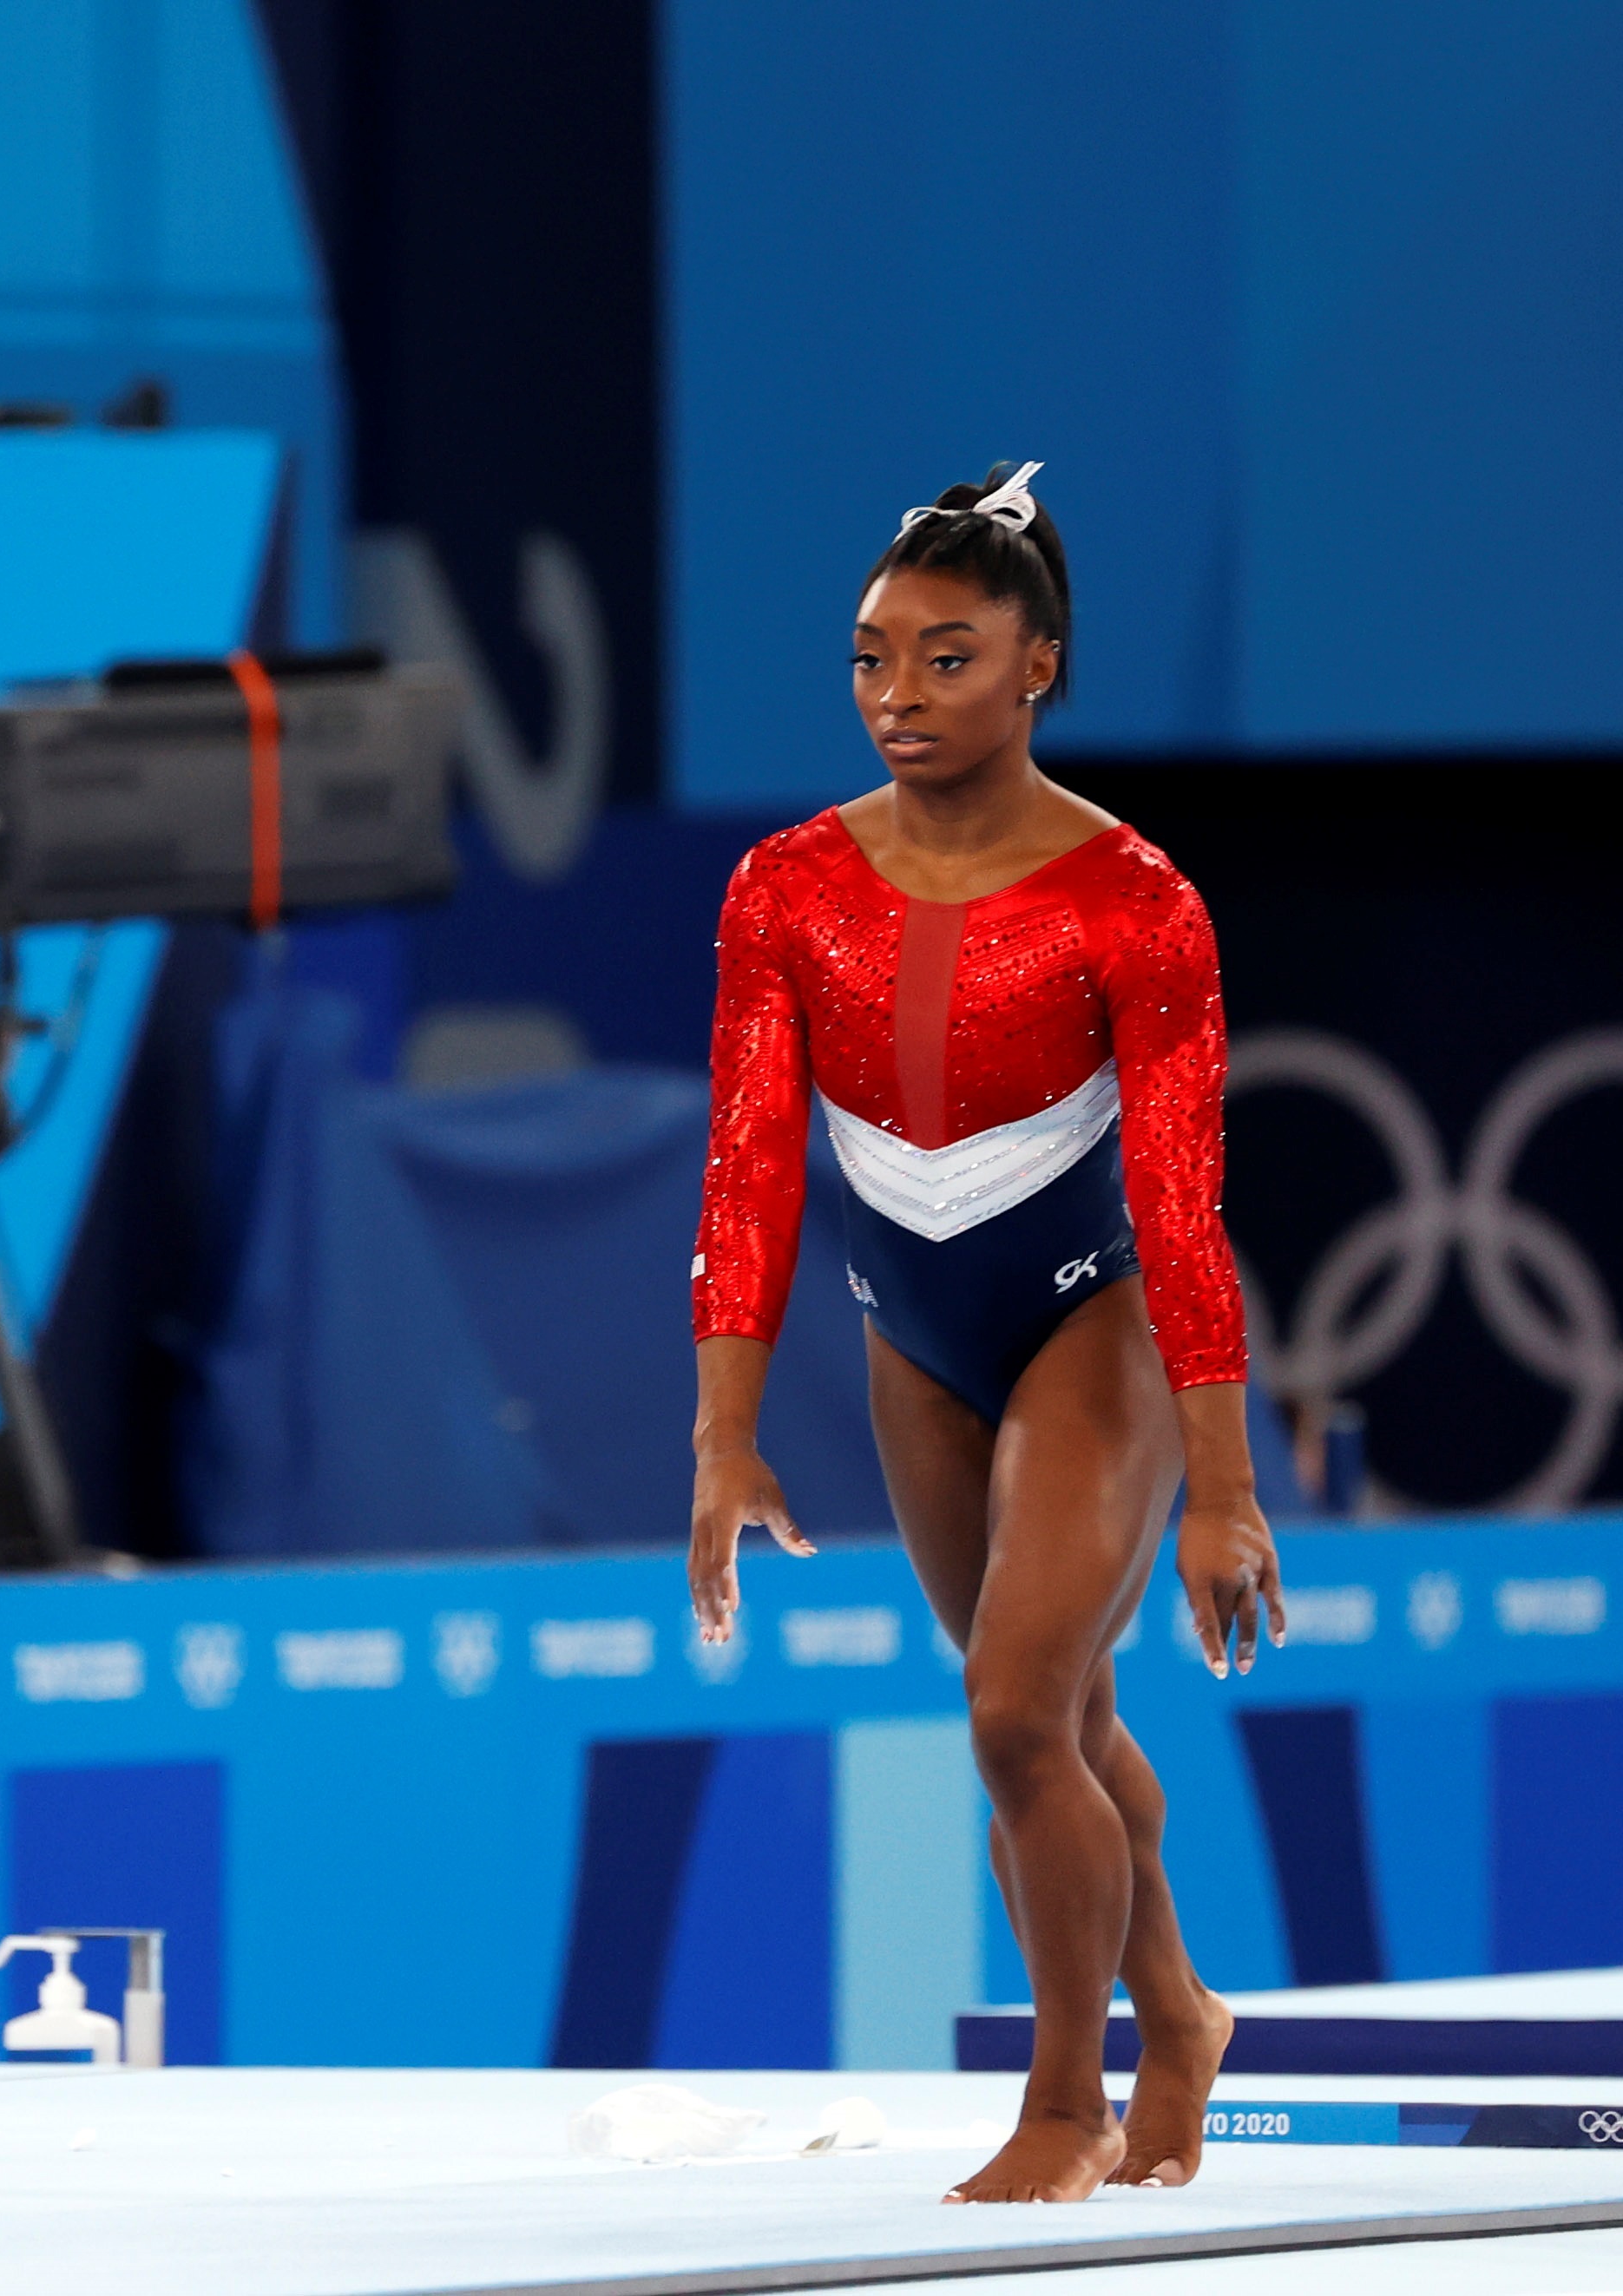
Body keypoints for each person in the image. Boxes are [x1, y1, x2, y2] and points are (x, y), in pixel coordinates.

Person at [684, 462, 1283, 2205]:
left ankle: (1064, 2103)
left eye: (947, 660)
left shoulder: (1137, 900)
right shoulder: (783, 891)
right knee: (1063, 1718)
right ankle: (1180, 2019)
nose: (897, 697)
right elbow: (745, 1181)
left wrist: (1226, 1485)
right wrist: (723, 1436)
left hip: (1093, 1325)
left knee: (1018, 1715)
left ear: (1040, 667)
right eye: (872, 659)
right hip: (915, 1336)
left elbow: (1178, 1200)